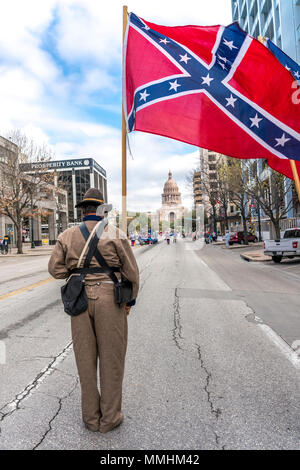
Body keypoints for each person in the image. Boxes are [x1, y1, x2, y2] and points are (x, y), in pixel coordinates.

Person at [48, 188, 139, 434]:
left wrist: (77, 274)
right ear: (102, 210)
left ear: (83, 210)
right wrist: (129, 302)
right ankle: (110, 418)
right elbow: (132, 273)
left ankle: (90, 417)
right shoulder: (116, 234)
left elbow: (55, 270)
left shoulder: (67, 235)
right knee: (112, 360)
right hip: (110, 299)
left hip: (79, 301)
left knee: (85, 361)